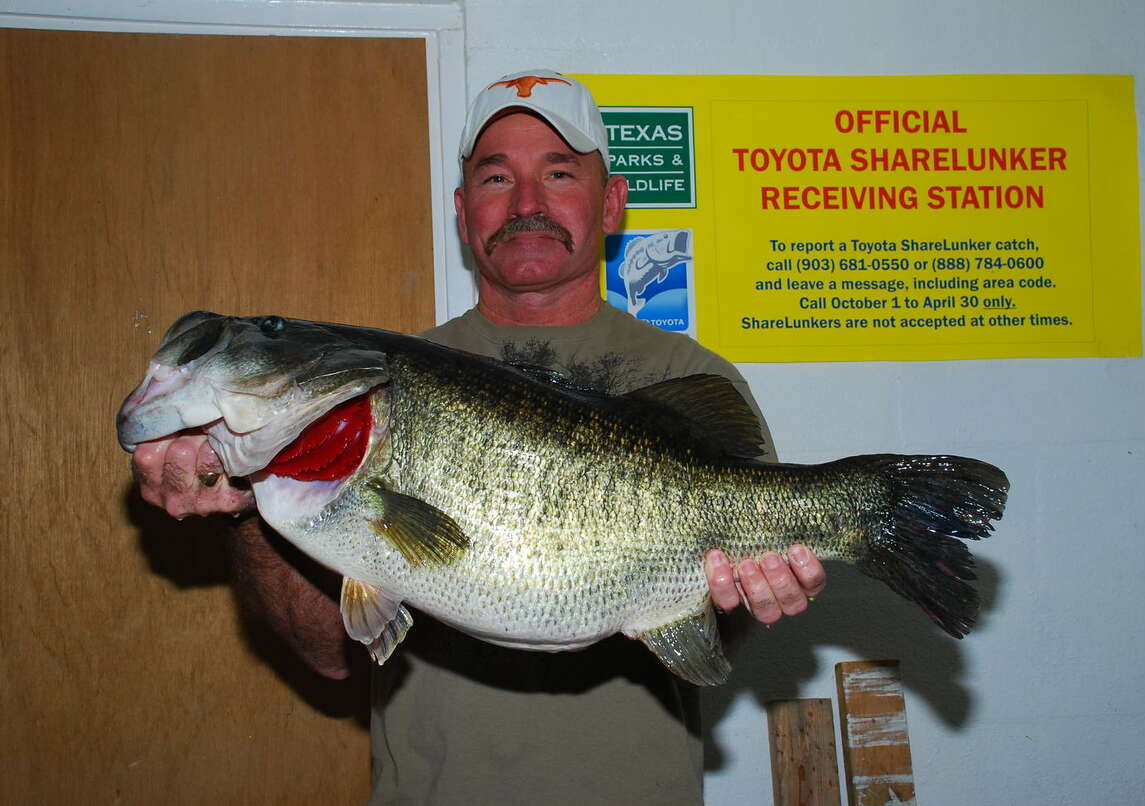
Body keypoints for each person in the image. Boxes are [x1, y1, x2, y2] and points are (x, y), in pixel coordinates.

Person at [132, 69, 826, 805]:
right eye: (497, 178)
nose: (527, 203)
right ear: (464, 213)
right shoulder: (375, 386)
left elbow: (718, 636)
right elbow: (327, 653)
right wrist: (246, 507)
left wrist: (751, 595)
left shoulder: (691, 378)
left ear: (613, 202)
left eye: (559, 172)